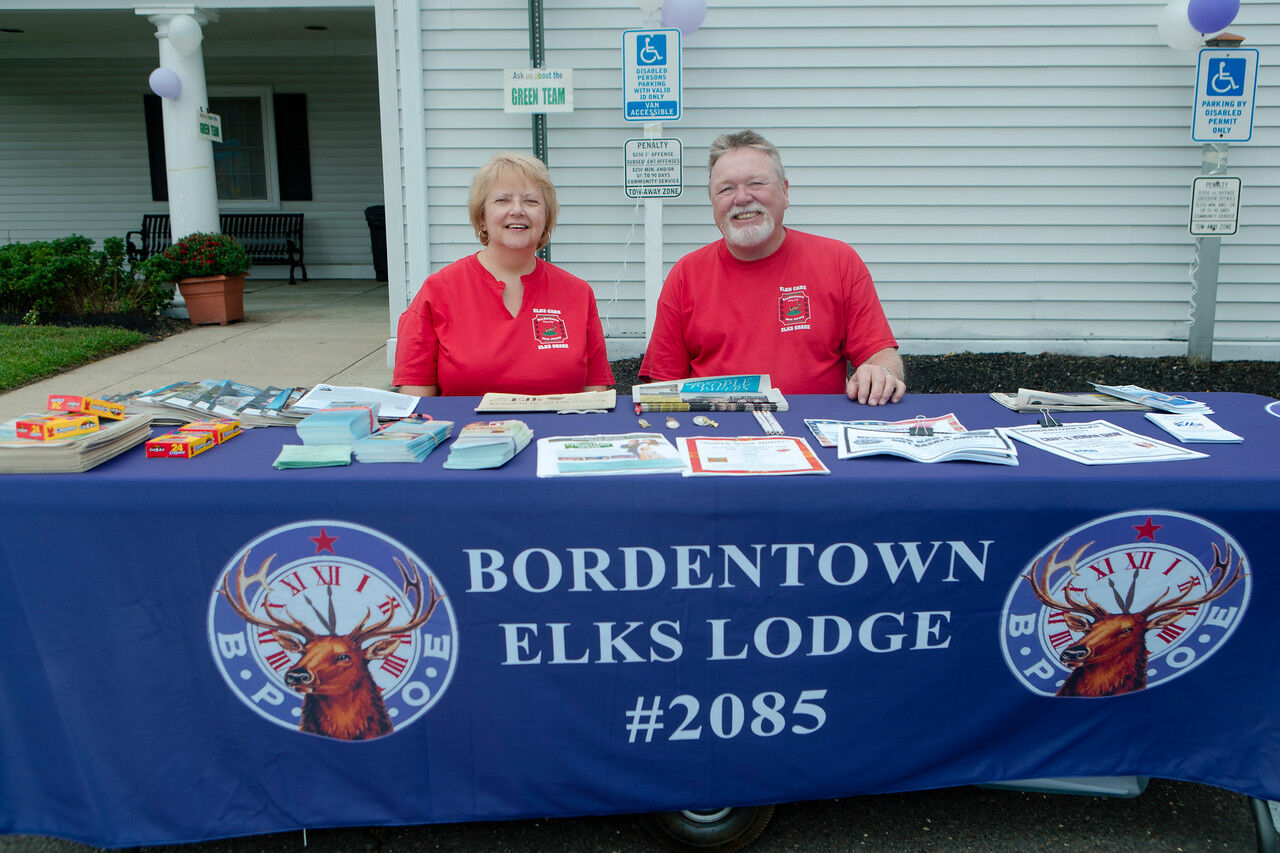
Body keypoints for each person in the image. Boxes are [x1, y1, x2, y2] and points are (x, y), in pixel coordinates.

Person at [639, 130, 905, 405]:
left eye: (756, 183)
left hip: (814, 437)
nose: (742, 198)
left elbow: (881, 355)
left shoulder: (839, 262)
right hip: (714, 434)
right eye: (726, 188)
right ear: (713, 202)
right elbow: (664, 388)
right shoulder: (685, 275)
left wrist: (881, 373)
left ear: (785, 192)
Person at [393, 152, 614, 396]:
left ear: (546, 218)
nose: (518, 210)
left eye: (531, 201)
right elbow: (418, 410)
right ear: (482, 218)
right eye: (502, 200)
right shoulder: (437, 292)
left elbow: (595, 403)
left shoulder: (578, 294)